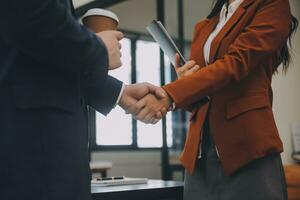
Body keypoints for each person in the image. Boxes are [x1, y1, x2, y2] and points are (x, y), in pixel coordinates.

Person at [128, 0, 299, 199]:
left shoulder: (272, 4)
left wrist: (170, 93)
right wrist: (184, 83)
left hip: (247, 147)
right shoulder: (204, 26)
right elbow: (201, 94)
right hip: (199, 153)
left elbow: (236, 63)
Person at [0, 0, 166, 200]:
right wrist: (98, 49)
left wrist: (119, 93)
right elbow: (33, 16)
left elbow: (34, 58)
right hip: (31, 149)